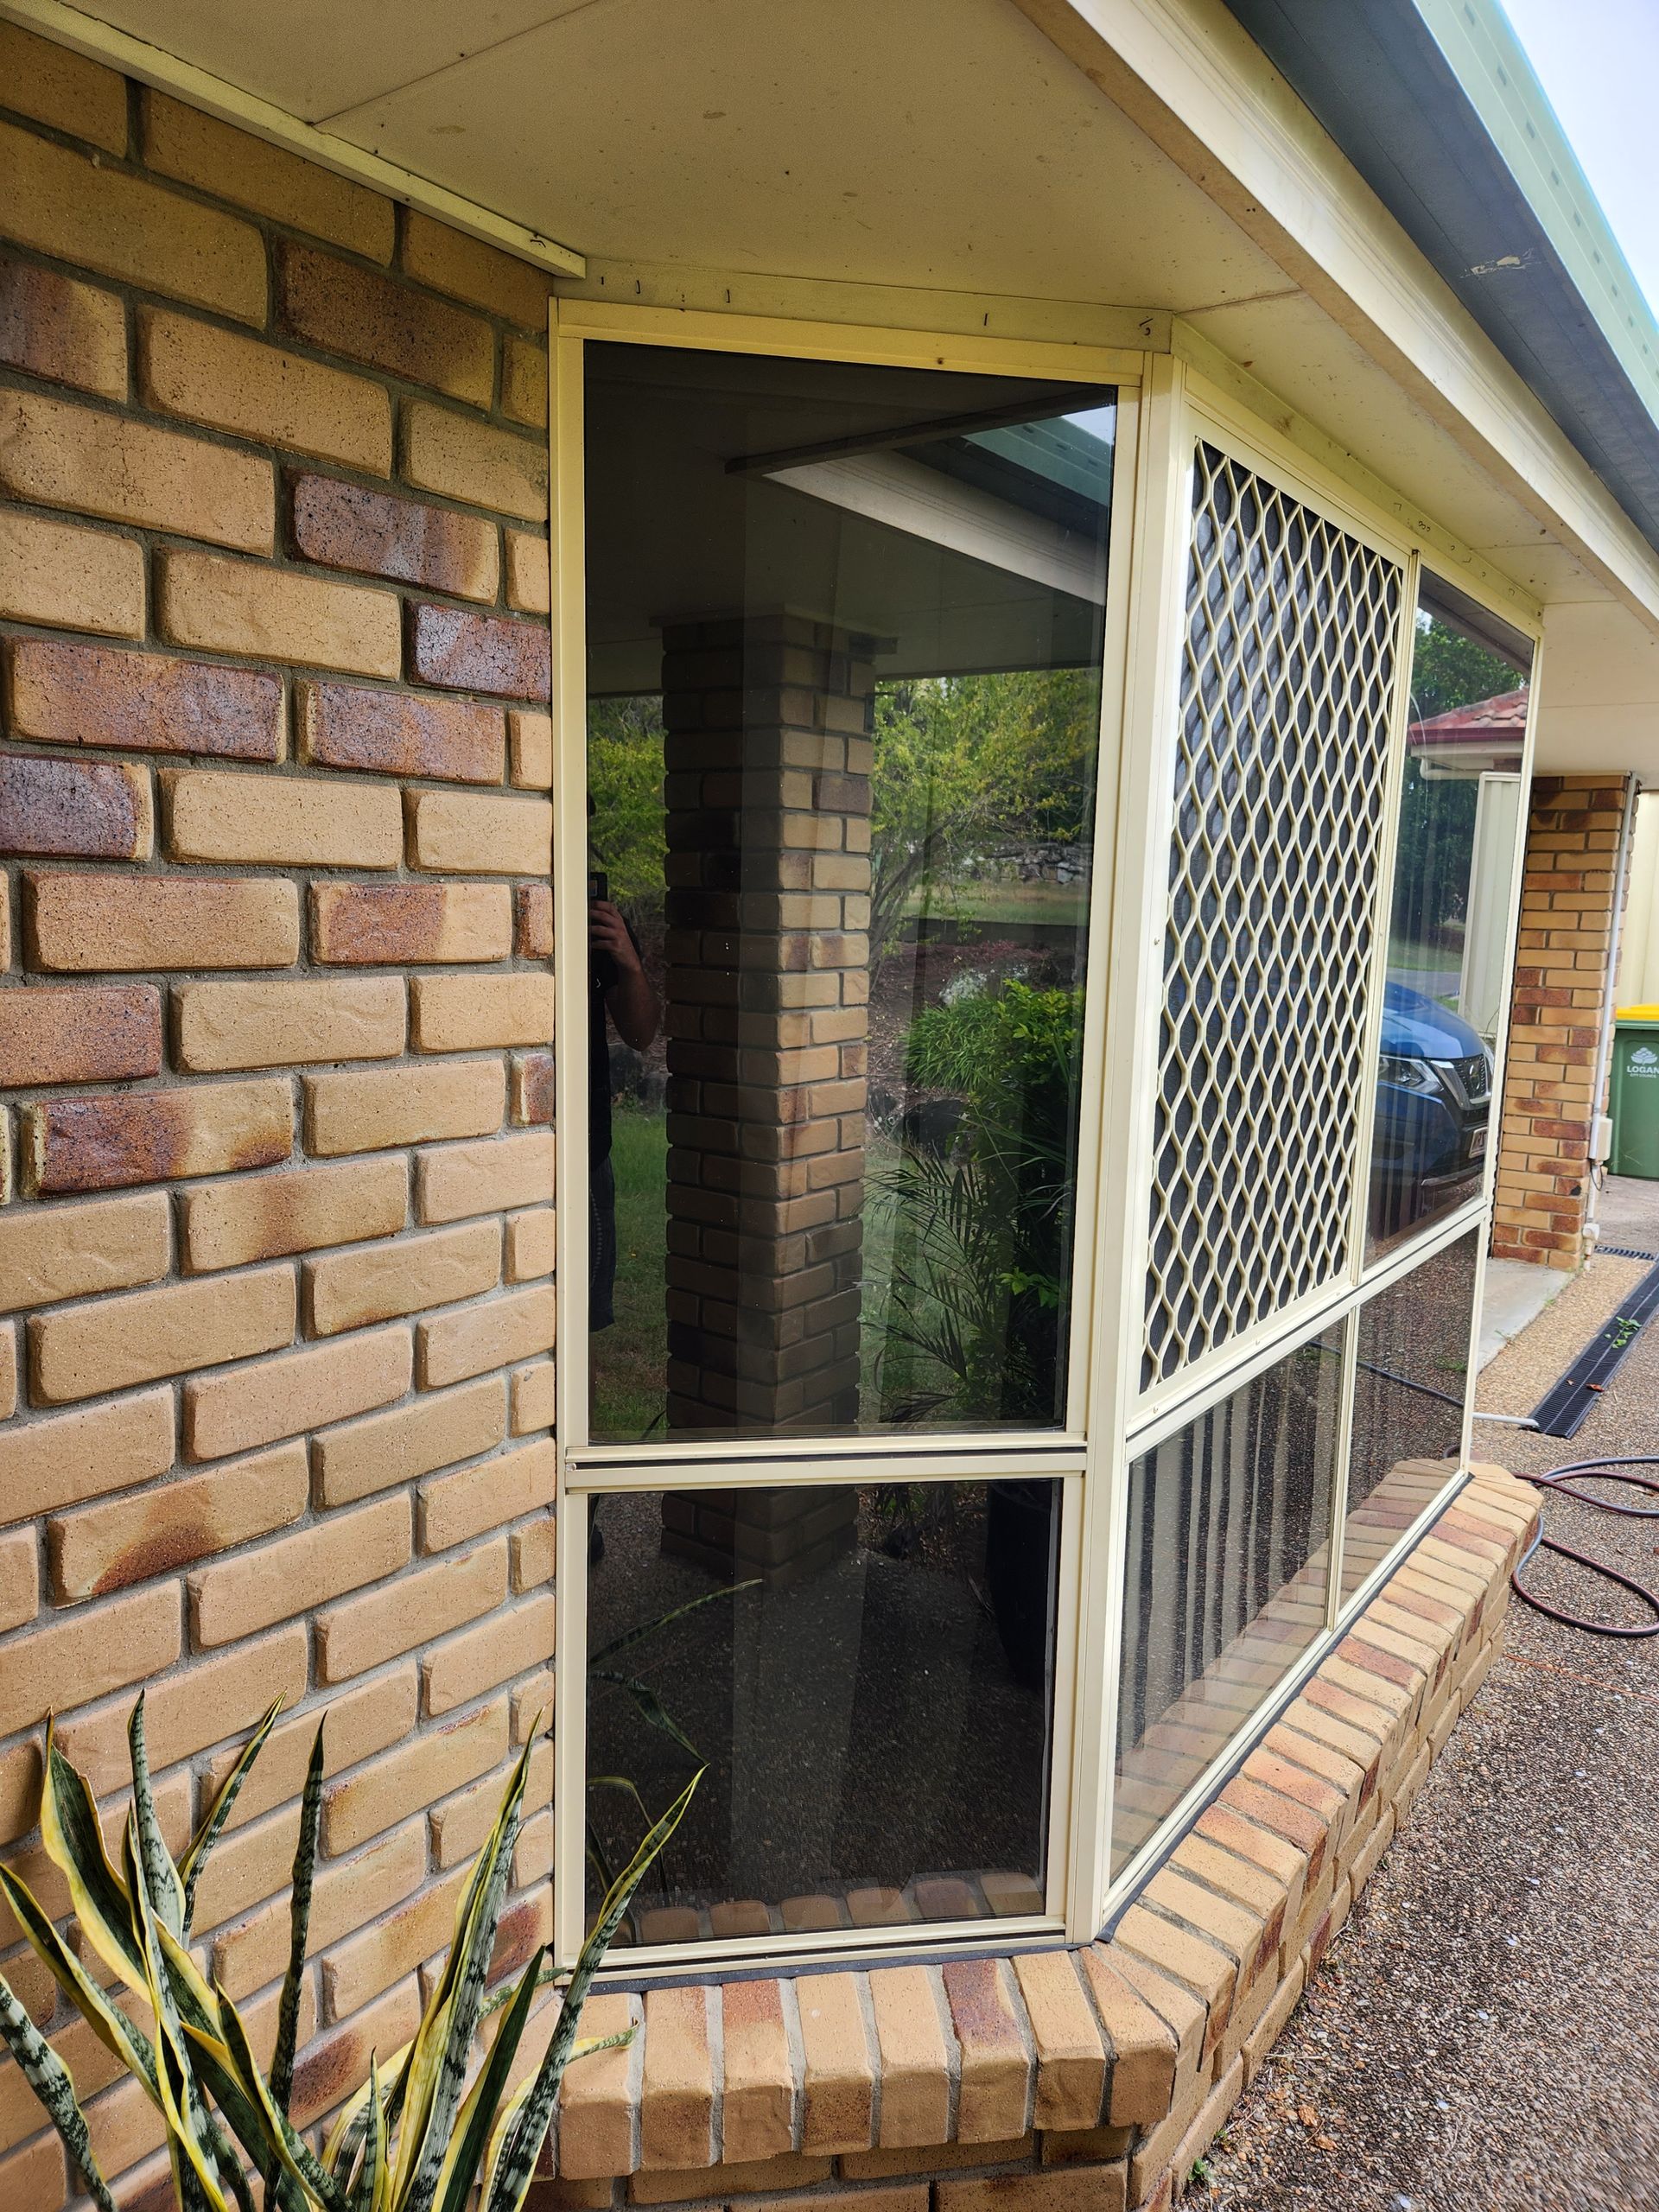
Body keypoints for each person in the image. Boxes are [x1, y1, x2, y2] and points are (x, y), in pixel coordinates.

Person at [589, 882, 660, 1331]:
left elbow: (641, 1033)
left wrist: (629, 964)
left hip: (586, 1150)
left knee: (581, 1329)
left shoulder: (598, 920)